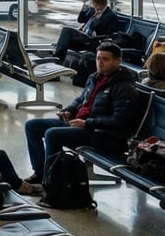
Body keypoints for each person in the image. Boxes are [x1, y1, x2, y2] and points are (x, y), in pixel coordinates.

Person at [23, 42, 144, 187]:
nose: (100, 63)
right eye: (98, 59)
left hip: (102, 134)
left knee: (53, 134)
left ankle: (52, 182)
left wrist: (87, 123)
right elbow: (81, 99)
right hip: (81, 124)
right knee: (32, 125)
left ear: (118, 61)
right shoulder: (94, 77)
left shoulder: (124, 87)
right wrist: (69, 110)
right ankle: (40, 173)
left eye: (105, 59)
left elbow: (120, 121)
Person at [52, 0, 121, 61]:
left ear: (102, 5)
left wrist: (94, 34)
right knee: (65, 36)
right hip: (85, 35)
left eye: (96, 6)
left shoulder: (111, 16)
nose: (95, 8)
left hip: (93, 39)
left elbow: (110, 34)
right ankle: (58, 57)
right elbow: (80, 20)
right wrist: (84, 8)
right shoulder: (93, 11)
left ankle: (58, 58)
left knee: (66, 32)